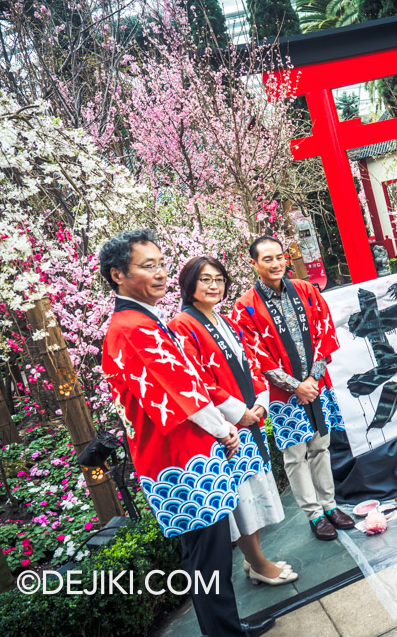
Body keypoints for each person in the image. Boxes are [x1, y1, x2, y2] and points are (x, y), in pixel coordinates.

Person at [99, 230, 270, 637]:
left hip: (190, 455)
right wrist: (225, 428)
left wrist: (231, 420)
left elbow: (193, 380)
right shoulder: (132, 327)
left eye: (161, 263)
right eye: (147, 266)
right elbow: (181, 393)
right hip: (179, 462)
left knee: (208, 555)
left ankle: (226, 628)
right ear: (117, 275)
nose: (160, 273)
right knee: (207, 557)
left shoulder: (143, 320)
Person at [169, 256, 297, 587]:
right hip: (224, 427)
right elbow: (196, 380)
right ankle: (257, 563)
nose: (214, 286)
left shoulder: (225, 321)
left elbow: (252, 364)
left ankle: (255, 560)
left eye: (219, 280)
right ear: (189, 285)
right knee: (240, 495)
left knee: (251, 491)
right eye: (205, 280)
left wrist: (260, 404)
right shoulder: (182, 325)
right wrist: (239, 413)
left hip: (247, 418)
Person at [231, 236, 354, 540]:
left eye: (279, 257)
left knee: (321, 447)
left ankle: (330, 505)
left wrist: (311, 379)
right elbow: (255, 355)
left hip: (316, 384)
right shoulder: (245, 307)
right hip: (282, 396)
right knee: (295, 454)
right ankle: (314, 514)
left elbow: (325, 331)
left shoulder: (306, 290)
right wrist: (295, 386)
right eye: (267, 259)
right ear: (254, 264)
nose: (276, 264)